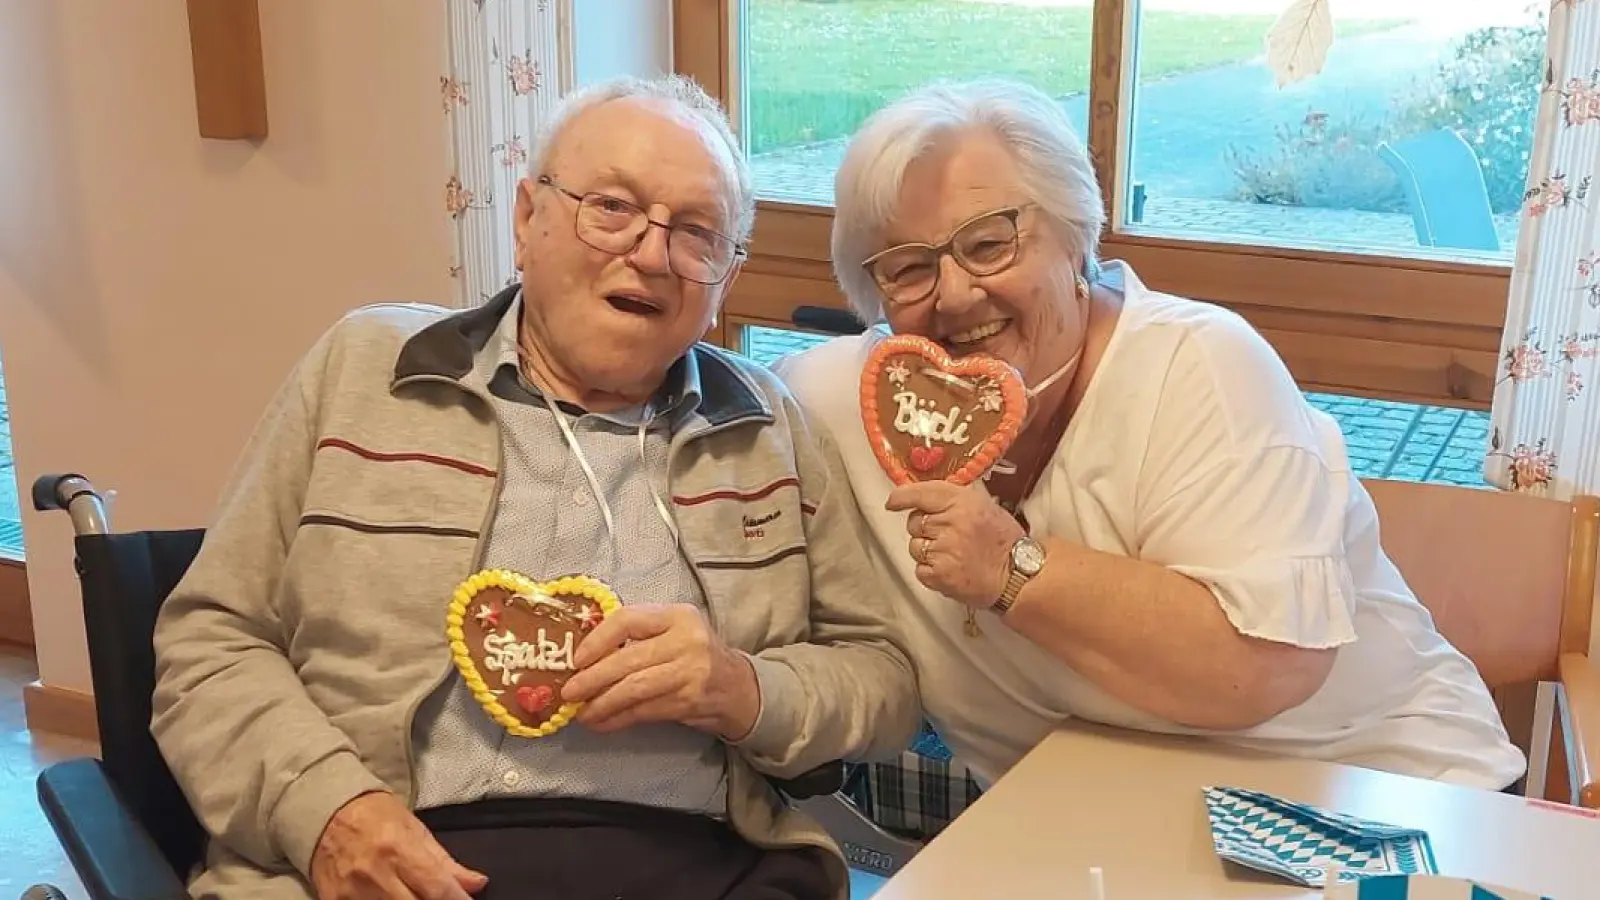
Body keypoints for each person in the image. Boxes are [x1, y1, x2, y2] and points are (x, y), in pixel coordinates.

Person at [150, 74, 919, 900]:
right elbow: (210, 644)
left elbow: (882, 679)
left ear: (725, 279)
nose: (653, 255)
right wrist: (327, 810)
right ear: (527, 219)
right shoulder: (365, 372)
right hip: (391, 858)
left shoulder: (771, 430)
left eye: (697, 234)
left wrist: (742, 687)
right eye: (612, 208)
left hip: (697, 859)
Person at [772, 78, 1525, 796]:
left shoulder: (1201, 366)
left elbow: (1267, 668)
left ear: (1074, 240)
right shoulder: (854, 401)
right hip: (1094, 827)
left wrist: (1009, 566)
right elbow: (696, 392)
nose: (959, 293)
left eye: (991, 243)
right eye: (908, 269)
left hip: (1382, 798)